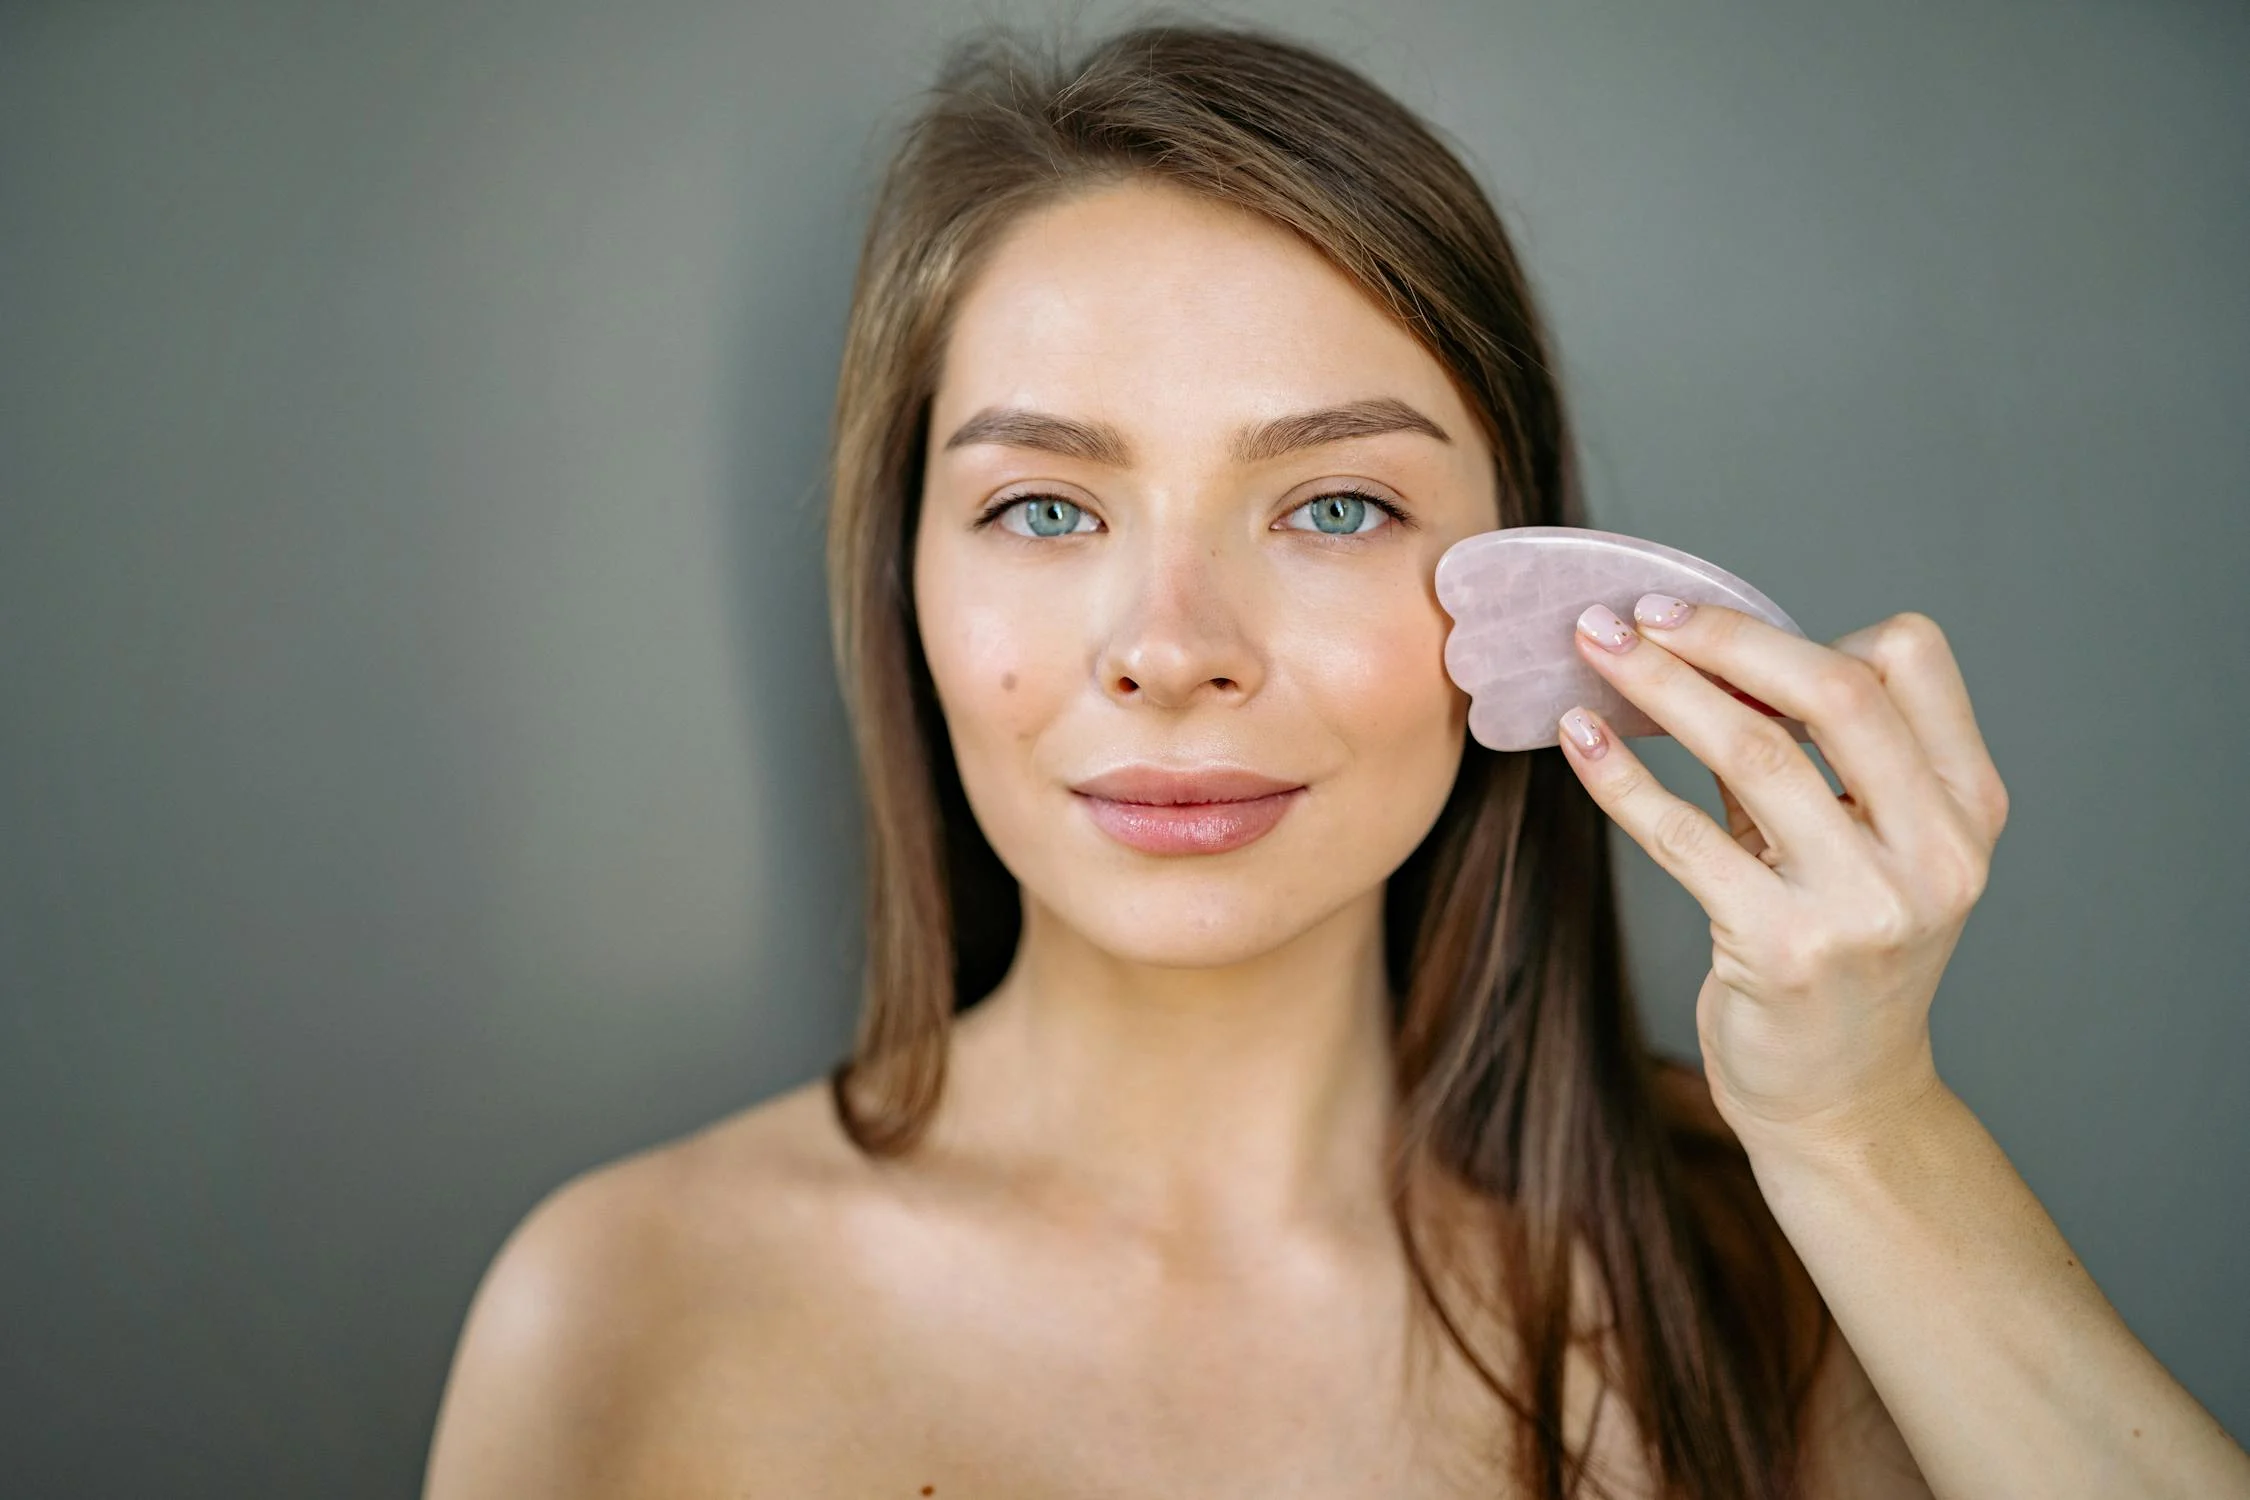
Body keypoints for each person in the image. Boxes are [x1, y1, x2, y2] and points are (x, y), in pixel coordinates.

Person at [421, 18, 2250, 1498]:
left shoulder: (1775, 1275)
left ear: (1531, 596)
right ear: (900, 577)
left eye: (1336, 506)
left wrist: (1862, 1131)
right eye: (1044, 506)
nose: (1172, 648)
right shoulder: (618, 1310)